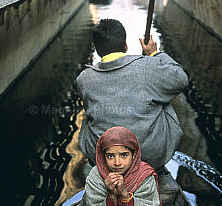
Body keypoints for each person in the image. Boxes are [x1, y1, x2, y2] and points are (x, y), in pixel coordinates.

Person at [76, 19, 188, 170]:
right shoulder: (148, 66)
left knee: (87, 116)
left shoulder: (84, 79)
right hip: (150, 156)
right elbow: (181, 79)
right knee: (163, 96)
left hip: (104, 157)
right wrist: (154, 53)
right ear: (125, 45)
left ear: (97, 50)